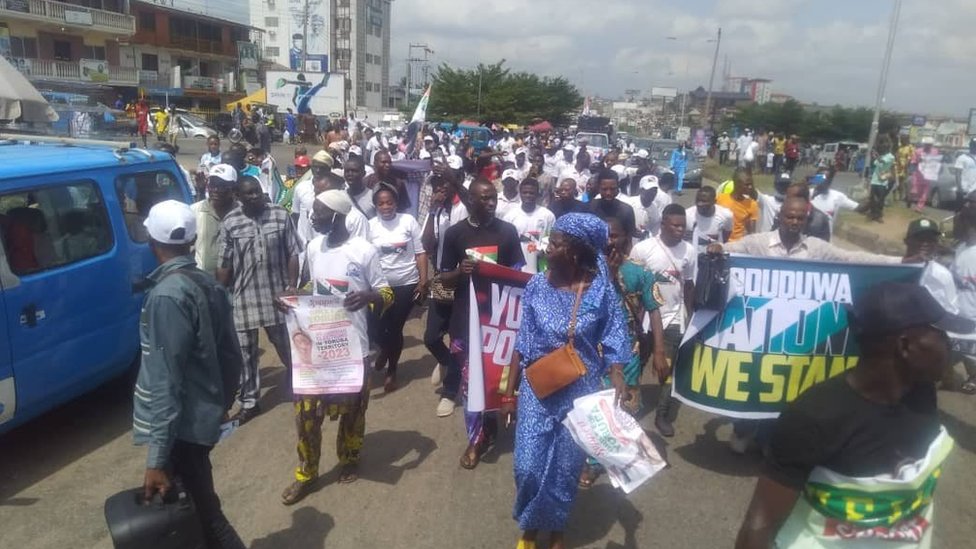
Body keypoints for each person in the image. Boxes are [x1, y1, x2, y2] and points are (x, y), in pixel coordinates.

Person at [734, 281, 972, 549]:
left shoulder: (922, 394)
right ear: (905, 347)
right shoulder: (814, 417)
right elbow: (759, 524)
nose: (949, 345)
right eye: (940, 334)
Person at [499, 213, 630, 549]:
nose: (547, 247)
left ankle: (555, 530)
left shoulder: (599, 291)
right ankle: (530, 522)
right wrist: (508, 393)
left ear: (574, 252)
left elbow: (615, 331)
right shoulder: (536, 286)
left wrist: (617, 373)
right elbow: (521, 340)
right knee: (528, 465)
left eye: (555, 244)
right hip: (538, 386)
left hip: (580, 390)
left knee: (565, 466)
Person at [134, 200, 246, 549]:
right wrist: (222, 403)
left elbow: (166, 382)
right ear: (193, 240)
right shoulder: (209, 284)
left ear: (152, 242)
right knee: (201, 508)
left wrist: (156, 460)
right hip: (201, 420)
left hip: (183, 427)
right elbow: (232, 356)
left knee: (206, 515)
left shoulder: (167, 295)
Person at [279, 190, 393, 505]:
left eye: (317, 212)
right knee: (306, 415)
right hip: (317, 348)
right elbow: (310, 287)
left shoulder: (364, 251)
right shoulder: (313, 247)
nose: (311, 217)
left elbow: (386, 292)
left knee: (353, 411)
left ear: (337, 216)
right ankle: (307, 473)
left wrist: (369, 297)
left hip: (352, 349)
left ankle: (350, 458)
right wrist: (291, 295)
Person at [440, 178, 524, 468]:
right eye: (484, 198)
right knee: (470, 382)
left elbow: (519, 274)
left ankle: (491, 422)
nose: (491, 202)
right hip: (465, 320)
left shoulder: (508, 232)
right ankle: (475, 439)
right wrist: (458, 272)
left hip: (499, 323)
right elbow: (442, 278)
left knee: (495, 379)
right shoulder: (454, 234)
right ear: (470, 201)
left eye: (493, 198)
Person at [218, 176, 302, 423]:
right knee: (246, 355)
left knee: (286, 346)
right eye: (249, 193)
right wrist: (218, 295)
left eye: (257, 191)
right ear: (238, 196)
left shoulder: (279, 215)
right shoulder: (230, 222)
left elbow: (293, 252)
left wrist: (291, 286)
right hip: (243, 299)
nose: (255, 196)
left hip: (277, 296)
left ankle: (302, 385)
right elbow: (224, 264)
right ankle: (250, 402)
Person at [630, 204, 696, 437]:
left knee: (668, 369)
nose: (680, 230)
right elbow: (631, 283)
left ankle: (662, 413)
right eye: (676, 225)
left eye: (683, 226)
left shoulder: (689, 251)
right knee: (635, 363)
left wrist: (690, 316)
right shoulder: (643, 249)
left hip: (674, 316)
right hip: (645, 318)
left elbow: (688, 285)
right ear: (664, 223)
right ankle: (628, 406)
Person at [368, 185, 428, 392]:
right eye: (381, 203)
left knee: (394, 328)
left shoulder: (408, 221)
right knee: (374, 326)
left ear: (396, 203)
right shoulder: (370, 226)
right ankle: (384, 350)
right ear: (375, 205)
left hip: (406, 283)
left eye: (389, 202)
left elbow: (420, 253)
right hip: (379, 286)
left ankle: (392, 371)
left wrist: (423, 281)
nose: (386, 207)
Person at [421, 175, 468, 408]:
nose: (440, 189)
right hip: (441, 278)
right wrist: (431, 212)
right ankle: (445, 361)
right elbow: (426, 244)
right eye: (436, 186)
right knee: (431, 337)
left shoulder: (464, 208)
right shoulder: (437, 212)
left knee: (458, 338)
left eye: (444, 184)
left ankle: (450, 392)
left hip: (463, 281)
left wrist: (456, 180)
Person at [192, 164, 239, 276]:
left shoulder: (242, 213)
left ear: (233, 188)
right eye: (213, 184)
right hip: (203, 282)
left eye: (222, 186)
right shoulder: (195, 211)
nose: (216, 190)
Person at [502, 178, 555, 274]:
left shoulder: (548, 215)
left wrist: (542, 249)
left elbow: (551, 237)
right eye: (525, 192)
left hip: (540, 263)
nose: (528, 196)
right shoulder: (510, 216)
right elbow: (506, 241)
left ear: (537, 194)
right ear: (520, 193)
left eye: (531, 193)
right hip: (517, 263)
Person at [590, 169, 637, 238]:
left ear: (618, 188)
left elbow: (629, 238)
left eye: (612, 189)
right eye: (604, 189)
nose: (608, 193)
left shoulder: (626, 211)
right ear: (598, 188)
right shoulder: (589, 208)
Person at [808, 172, 858, 237]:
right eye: (822, 178)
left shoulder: (838, 196)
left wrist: (871, 203)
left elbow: (857, 207)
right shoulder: (806, 193)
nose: (825, 181)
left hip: (825, 239)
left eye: (828, 178)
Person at [685, 186, 732, 253]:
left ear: (714, 202)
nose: (699, 204)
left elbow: (727, 234)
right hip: (692, 258)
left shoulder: (726, 215)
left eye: (704, 201)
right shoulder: (687, 215)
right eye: (698, 200)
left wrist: (719, 246)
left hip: (714, 257)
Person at [716, 168, 759, 242]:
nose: (750, 187)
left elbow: (752, 234)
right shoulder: (719, 199)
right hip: (720, 243)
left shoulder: (752, 204)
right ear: (737, 184)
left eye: (751, 184)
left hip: (737, 245)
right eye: (747, 184)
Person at [628, 175, 671, 239]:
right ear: (641, 190)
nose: (653, 193)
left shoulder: (655, 211)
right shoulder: (629, 204)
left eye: (655, 190)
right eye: (650, 190)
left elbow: (654, 232)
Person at [911, 137, 942, 213]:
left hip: (928, 175)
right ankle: (911, 200)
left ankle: (919, 207)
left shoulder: (935, 152)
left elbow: (937, 162)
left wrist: (937, 169)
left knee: (925, 193)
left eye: (930, 145)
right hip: (918, 174)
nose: (928, 146)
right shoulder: (918, 151)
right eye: (927, 144)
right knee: (916, 191)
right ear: (924, 144)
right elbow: (913, 162)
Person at [867, 141, 895, 222]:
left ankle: (879, 215)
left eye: (883, 147)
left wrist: (876, 155)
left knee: (880, 199)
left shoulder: (890, 157)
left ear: (887, 148)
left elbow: (882, 161)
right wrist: (873, 155)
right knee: (872, 198)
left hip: (882, 182)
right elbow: (875, 163)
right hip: (874, 180)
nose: (882, 149)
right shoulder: (882, 155)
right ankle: (873, 213)